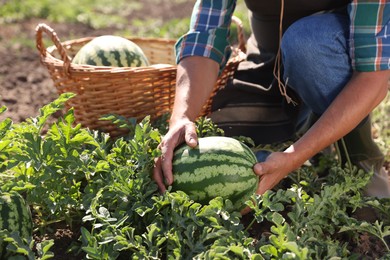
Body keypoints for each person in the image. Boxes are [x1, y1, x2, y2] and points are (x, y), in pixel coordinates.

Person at [153, 0, 390, 207]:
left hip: (329, 53)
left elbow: (372, 77)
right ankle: (313, 131)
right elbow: (205, 33)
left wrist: (293, 157)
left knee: (307, 45)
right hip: (269, 59)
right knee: (228, 125)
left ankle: (361, 158)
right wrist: (182, 117)